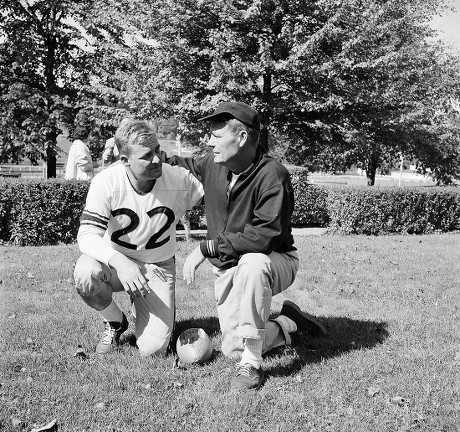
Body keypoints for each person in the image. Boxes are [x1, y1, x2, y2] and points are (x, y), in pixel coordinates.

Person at [170, 101, 327, 390]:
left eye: (217, 136)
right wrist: (151, 156)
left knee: (252, 263)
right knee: (232, 348)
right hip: (229, 267)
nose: (209, 141)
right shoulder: (213, 164)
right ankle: (288, 322)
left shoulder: (273, 175)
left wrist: (206, 248)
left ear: (241, 138)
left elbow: (263, 236)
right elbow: (182, 164)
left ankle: (251, 364)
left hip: (274, 259)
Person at [73, 118, 204, 356]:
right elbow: (87, 236)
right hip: (115, 264)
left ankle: (142, 305)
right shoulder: (106, 181)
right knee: (85, 274)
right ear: (124, 161)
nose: (157, 159)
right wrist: (120, 262)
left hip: (158, 265)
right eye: (146, 156)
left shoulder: (178, 178)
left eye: (158, 151)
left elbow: (219, 197)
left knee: (153, 351)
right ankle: (114, 321)